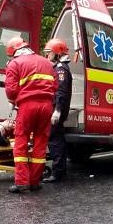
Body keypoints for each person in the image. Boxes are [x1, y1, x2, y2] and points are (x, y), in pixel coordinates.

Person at [4, 36, 56, 193]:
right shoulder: (46, 62)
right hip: (46, 106)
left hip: (27, 106)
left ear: (14, 51)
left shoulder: (15, 63)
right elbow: (56, 86)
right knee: (40, 142)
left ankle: (21, 182)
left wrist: (13, 101)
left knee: (21, 141)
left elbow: (11, 90)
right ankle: (34, 181)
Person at [42, 38, 72, 183]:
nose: (47, 56)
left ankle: (58, 172)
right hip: (56, 108)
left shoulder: (60, 69)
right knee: (58, 138)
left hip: (56, 109)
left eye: (49, 53)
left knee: (54, 140)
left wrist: (57, 110)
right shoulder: (59, 67)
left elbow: (61, 91)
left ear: (57, 53)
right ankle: (61, 170)